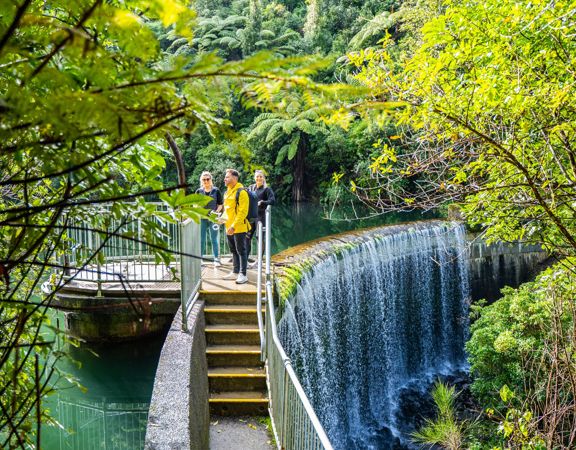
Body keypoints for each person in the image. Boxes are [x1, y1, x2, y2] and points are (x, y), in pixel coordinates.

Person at [222, 169, 251, 284]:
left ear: (235, 178)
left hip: (238, 227)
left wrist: (233, 226)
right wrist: (221, 219)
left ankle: (243, 274)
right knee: (233, 250)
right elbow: (227, 210)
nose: (225, 179)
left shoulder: (241, 192)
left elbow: (242, 212)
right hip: (228, 227)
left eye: (227, 177)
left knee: (241, 251)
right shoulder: (227, 192)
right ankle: (235, 271)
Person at [246, 170, 275, 268]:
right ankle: (245, 260)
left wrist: (263, 202)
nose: (259, 178)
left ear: (263, 178)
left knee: (259, 238)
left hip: (261, 217)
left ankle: (259, 261)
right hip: (251, 217)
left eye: (260, 177)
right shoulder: (251, 187)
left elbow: (272, 200)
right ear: (254, 177)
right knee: (247, 237)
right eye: (257, 177)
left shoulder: (267, 189)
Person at [195, 171, 223, 267]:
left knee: (214, 239)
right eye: (204, 179)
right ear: (201, 181)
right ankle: (200, 259)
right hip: (202, 218)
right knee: (201, 239)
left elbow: (220, 205)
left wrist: (216, 212)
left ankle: (216, 259)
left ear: (211, 180)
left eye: (208, 179)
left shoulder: (216, 190)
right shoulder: (199, 191)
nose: (206, 181)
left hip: (213, 218)